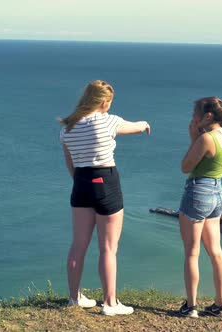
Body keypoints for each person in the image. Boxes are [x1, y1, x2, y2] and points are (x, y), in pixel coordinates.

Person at [59, 80, 150, 316]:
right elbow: (135, 127)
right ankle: (110, 303)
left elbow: (70, 164)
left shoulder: (67, 127)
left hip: (81, 183)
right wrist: (145, 123)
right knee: (108, 247)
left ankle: (74, 298)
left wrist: (81, 182)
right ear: (103, 101)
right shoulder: (108, 120)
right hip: (105, 181)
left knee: (78, 245)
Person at [178, 97, 222, 318]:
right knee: (216, 251)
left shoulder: (205, 139)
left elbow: (185, 167)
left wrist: (193, 138)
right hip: (217, 192)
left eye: (196, 112)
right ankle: (220, 305)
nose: (194, 116)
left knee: (192, 252)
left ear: (208, 116)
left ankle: (191, 307)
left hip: (198, 191)